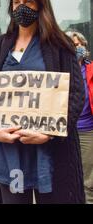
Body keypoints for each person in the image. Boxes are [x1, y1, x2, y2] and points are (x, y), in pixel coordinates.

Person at [0, 0, 85, 204]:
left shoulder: (60, 45)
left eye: (28, 2)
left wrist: (49, 133)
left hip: (48, 155)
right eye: (16, 2)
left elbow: (77, 95)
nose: (21, 7)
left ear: (40, 4)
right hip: (9, 156)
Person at [65, 30, 93, 203]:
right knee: (66, 175)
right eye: (71, 46)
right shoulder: (59, 71)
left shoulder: (91, 69)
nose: (76, 49)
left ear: (84, 46)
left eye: (77, 45)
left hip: (87, 130)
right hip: (65, 131)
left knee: (88, 177)